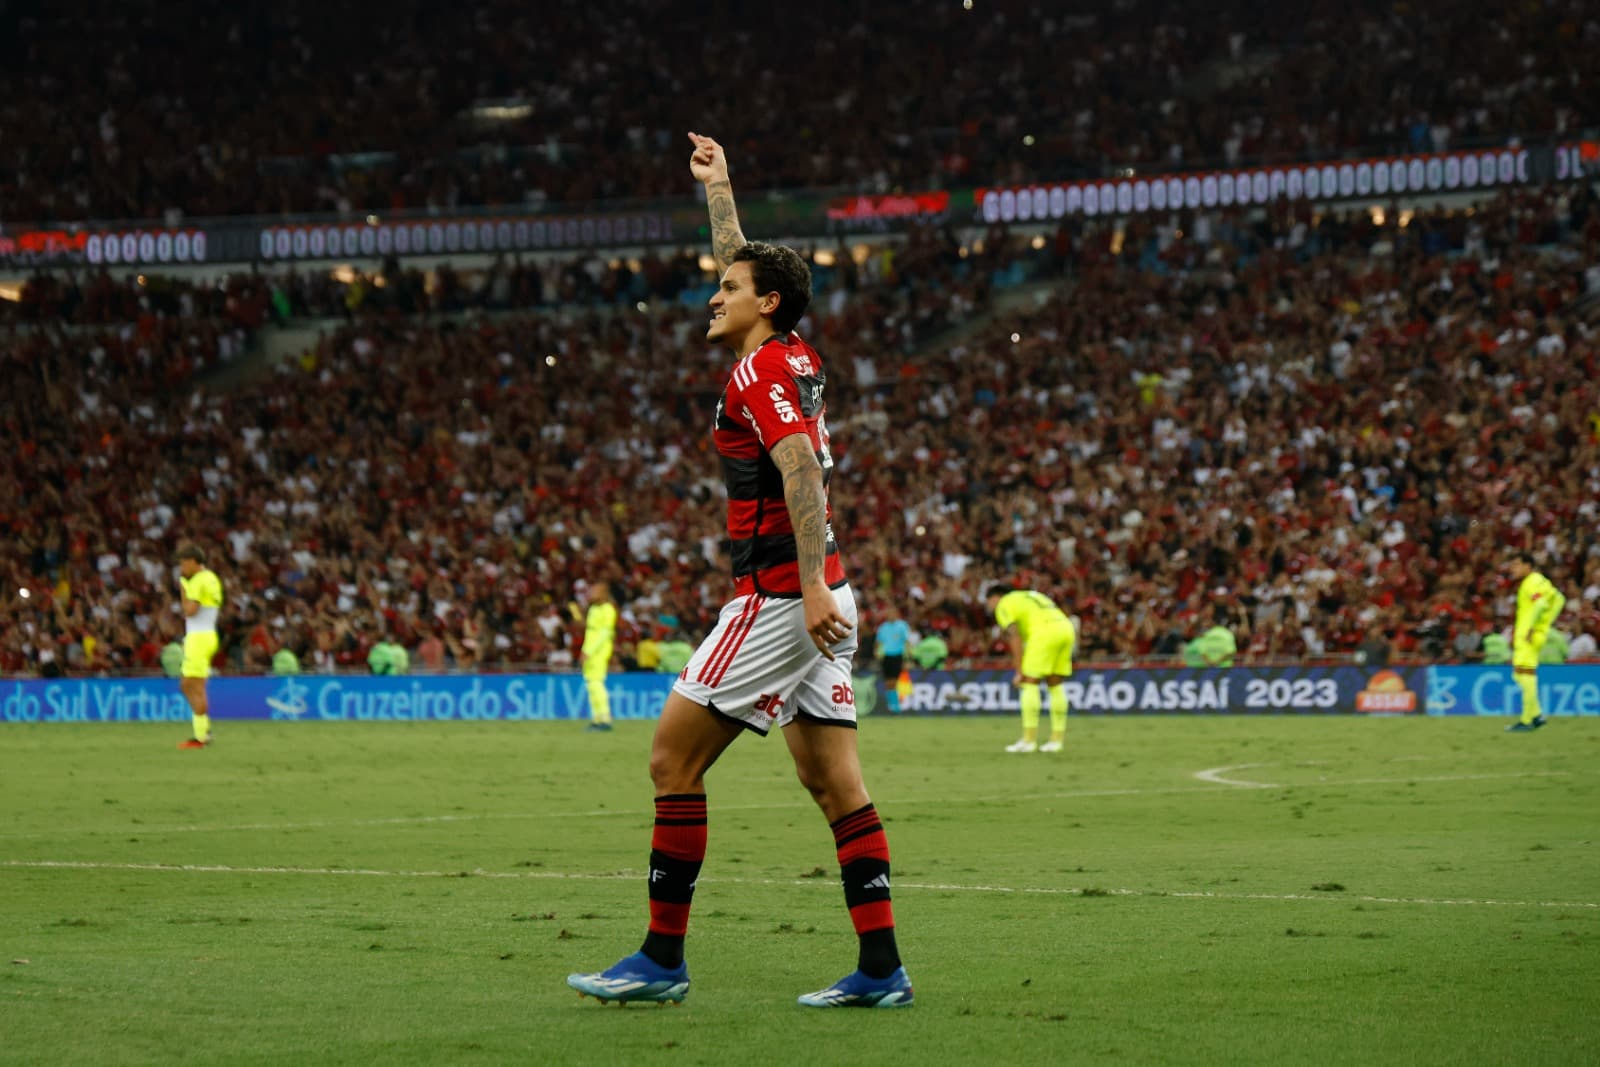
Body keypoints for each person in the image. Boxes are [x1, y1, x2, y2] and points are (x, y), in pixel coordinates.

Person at [567, 133, 910, 1010]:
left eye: (727, 288)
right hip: (824, 589)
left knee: (670, 760)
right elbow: (749, 263)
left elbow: (797, 464)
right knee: (836, 784)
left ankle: (660, 957)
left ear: (767, 303)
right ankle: (882, 971)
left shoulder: (758, 369)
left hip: (780, 600)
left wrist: (808, 589)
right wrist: (720, 189)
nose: (712, 292)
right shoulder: (791, 352)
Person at [985, 585, 1076, 753]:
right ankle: (1056, 741)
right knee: (1055, 685)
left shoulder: (1004, 603)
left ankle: (1028, 741)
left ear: (995, 597)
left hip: (1044, 633)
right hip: (1066, 628)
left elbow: (1014, 636)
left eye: (989, 602)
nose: (989, 606)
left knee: (1029, 683)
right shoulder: (1030, 596)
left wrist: (1019, 671)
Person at [1506, 553, 1566, 731]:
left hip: (1528, 634)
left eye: (1516, 564)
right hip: (1536, 633)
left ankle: (1527, 720)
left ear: (1527, 566)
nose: (1512, 568)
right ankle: (1537, 715)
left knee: (1525, 675)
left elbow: (1539, 604)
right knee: (1521, 674)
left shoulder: (1530, 583)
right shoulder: (1541, 581)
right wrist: (1545, 625)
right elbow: (1559, 600)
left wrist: (1532, 627)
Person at [175, 544, 223, 750]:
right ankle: (203, 732)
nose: (181, 568)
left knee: (191, 685)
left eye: (183, 563)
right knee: (192, 685)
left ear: (194, 562)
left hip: (198, 637)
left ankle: (201, 736)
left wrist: (183, 589)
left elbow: (190, 611)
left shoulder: (196, 581)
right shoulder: (211, 578)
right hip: (208, 634)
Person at [578, 582, 617, 732]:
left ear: (602, 593)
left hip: (599, 651)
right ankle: (596, 718)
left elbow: (604, 634)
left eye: (594, 591)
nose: (590, 594)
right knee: (591, 683)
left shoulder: (608, 610)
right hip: (589, 650)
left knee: (596, 682)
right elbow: (591, 633)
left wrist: (589, 650)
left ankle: (605, 718)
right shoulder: (593, 609)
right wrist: (585, 649)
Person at [873, 604, 911, 713]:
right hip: (886, 657)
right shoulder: (883, 627)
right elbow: (878, 642)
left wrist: (908, 658)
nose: (891, 615)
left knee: (895, 681)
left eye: (893, 613)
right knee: (888, 682)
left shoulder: (902, 626)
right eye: (889, 613)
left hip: (898, 656)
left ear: (897, 614)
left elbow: (907, 642)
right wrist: (876, 652)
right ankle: (892, 706)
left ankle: (896, 706)